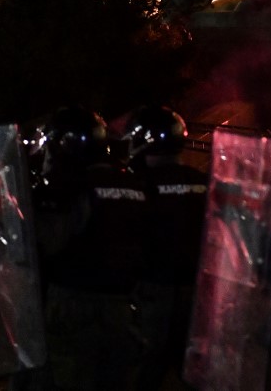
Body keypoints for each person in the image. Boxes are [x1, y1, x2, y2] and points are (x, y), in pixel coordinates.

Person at [34, 105, 148, 391]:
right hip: (123, 307)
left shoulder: (68, 186)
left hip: (74, 306)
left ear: (64, 144)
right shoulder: (132, 183)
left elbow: (50, 243)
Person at [121, 105, 208, 391]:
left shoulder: (137, 184)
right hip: (199, 294)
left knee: (146, 368)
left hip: (153, 292)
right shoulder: (203, 182)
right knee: (195, 371)